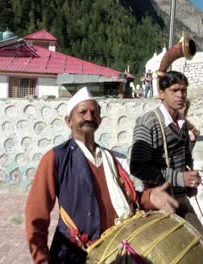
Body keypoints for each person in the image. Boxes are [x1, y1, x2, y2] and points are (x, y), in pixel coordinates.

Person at [25, 87, 178, 264]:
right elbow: (36, 214)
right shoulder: (55, 158)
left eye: (94, 112)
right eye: (82, 112)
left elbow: (130, 198)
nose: (89, 117)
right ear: (69, 121)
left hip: (115, 252)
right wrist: (41, 259)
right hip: (74, 254)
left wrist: (151, 197)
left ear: (99, 119)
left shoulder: (112, 159)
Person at [130, 70, 203, 237]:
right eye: (174, 90)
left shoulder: (183, 124)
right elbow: (138, 167)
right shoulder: (148, 122)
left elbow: (186, 157)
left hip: (181, 199)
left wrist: (189, 181)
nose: (180, 95)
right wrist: (179, 178)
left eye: (183, 90)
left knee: (200, 243)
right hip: (157, 200)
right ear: (162, 94)